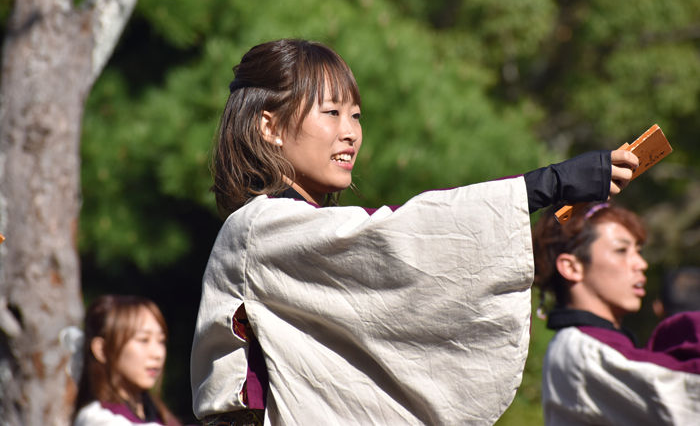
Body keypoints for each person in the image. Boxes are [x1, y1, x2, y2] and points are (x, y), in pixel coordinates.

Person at [190, 38, 640, 425]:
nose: (350, 133)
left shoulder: (292, 231)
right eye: (331, 112)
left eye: (356, 116)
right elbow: (404, 237)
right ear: (269, 125)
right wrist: (549, 185)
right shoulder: (256, 229)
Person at [533, 203, 700, 426]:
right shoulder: (583, 351)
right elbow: (685, 396)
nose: (641, 264)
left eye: (638, 251)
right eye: (621, 251)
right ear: (572, 267)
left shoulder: (586, 346)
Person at [73, 295, 182, 426]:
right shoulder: (95, 419)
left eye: (161, 341)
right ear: (102, 350)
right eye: (144, 340)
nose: (158, 354)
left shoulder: (162, 416)